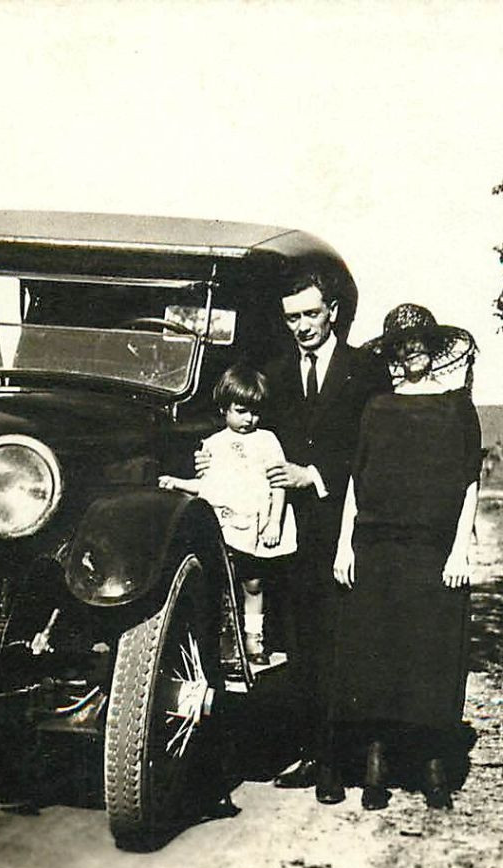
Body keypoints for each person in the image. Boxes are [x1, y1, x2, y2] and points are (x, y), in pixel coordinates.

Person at [242, 266, 390, 803]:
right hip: (288, 531)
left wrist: (317, 476)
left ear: (333, 312)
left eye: (310, 314)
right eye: (292, 318)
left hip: (346, 526)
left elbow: (373, 449)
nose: (302, 326)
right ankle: (314, 752)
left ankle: (342, 760)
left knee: (343, 642)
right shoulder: (276, 373)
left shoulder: (365, 371)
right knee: (300, 642)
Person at [331, 304, 481, 811]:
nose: (410, 350)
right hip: (376, 546)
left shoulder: (457, 406)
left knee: (430, 656)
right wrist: (343, 546)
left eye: (419, 341)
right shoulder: (375, 407)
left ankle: (432, 765)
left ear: (433, 347)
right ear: (392, 352)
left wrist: (462, 547)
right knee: (377, 655)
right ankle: (376, 763)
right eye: (401, 344)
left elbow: (470, 482)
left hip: (434, 549)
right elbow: (356, 476)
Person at [160, 364, 296, 661]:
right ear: (224, 409)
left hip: (256, 524)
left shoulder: (267, 440)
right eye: (241, 410)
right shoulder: (212, 444)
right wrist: (177, 482)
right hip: (225, 524)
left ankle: (253, 638)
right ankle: (222, 641)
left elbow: (279, 484)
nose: (249, 419)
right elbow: (208, 486)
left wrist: (275, 521)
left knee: (254, 581)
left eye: (255, 412)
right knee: (221, 581)